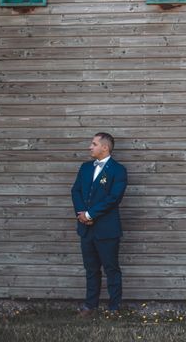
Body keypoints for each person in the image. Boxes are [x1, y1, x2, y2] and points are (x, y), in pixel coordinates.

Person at [71, 132, 128, 318]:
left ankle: (114, 308)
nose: (90, 147)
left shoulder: (118, 170)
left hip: (107, 230)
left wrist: (90, 214)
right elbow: (76, 190)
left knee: (111, 269)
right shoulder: (85, 167)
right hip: (86, 229)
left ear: (105, 147)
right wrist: (82, 214)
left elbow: (113, 198)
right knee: (91, 269)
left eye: (94, 144)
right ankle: (90, 306)